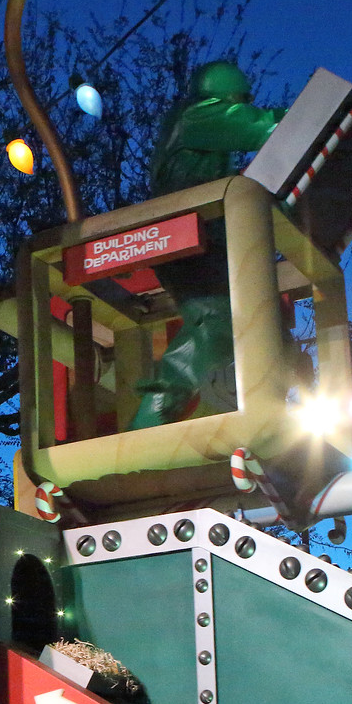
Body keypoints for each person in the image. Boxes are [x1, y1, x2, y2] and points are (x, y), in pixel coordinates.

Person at [132, 60, 286, 430]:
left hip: (197, 235)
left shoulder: (191, 129)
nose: (243, 106)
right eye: (240, 100)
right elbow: (259, 126)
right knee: (214, 318)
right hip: (188, 236)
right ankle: (149, 428)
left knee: (235, 324)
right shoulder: (198, 116)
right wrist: (316, 116)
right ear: (226, 96)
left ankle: (203, 412)